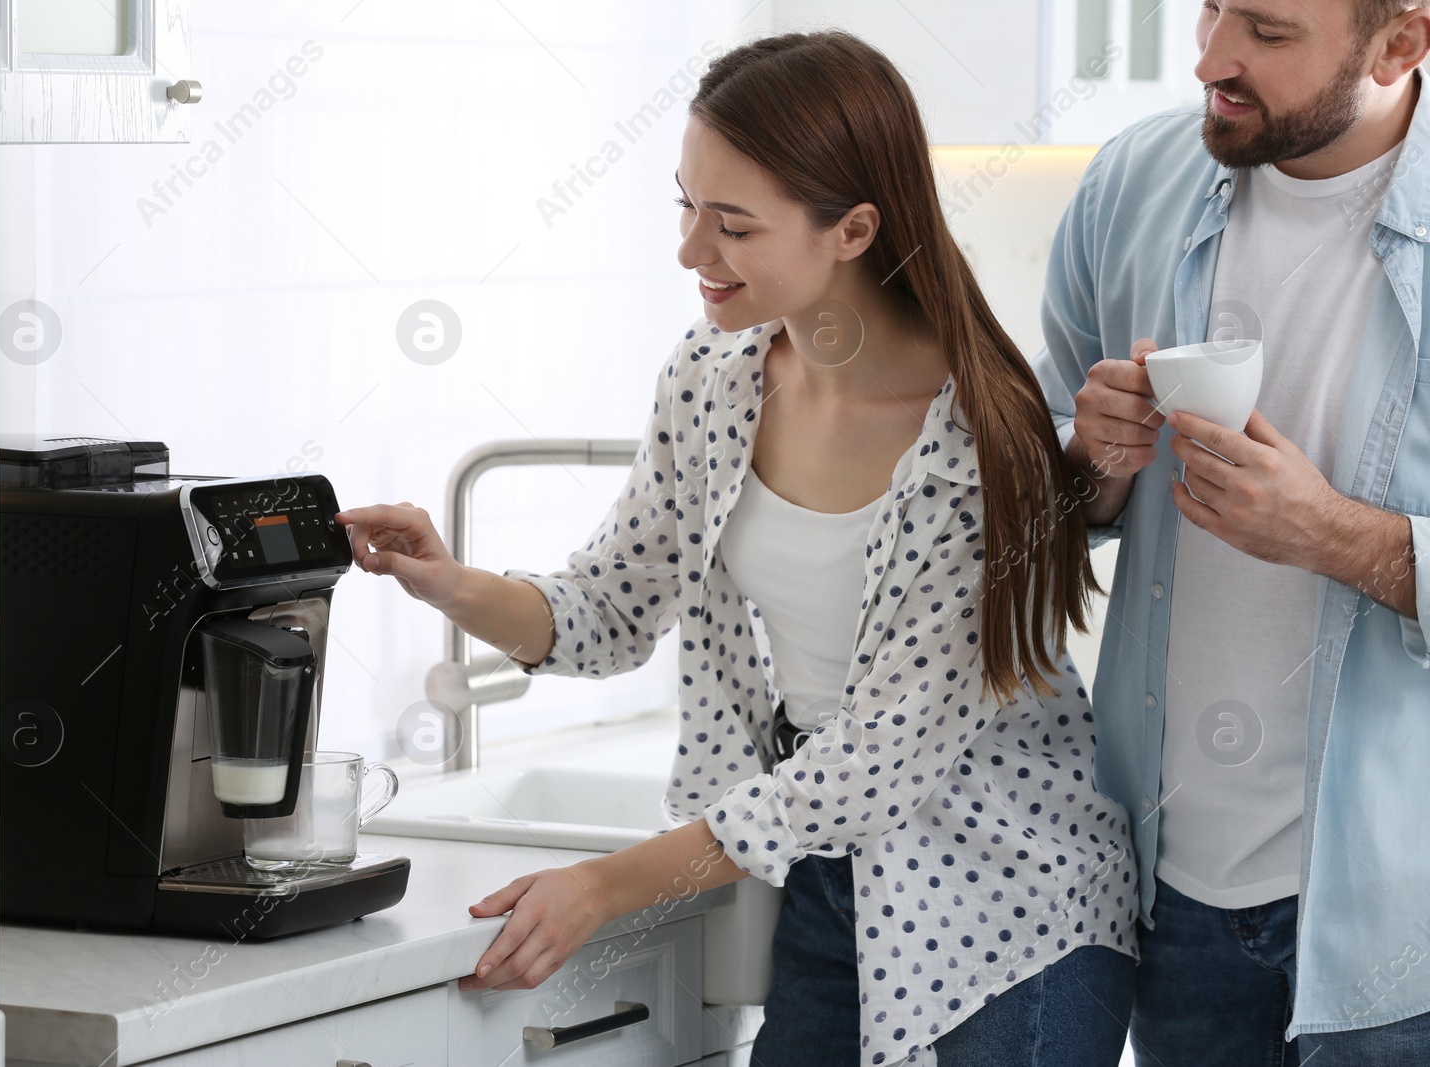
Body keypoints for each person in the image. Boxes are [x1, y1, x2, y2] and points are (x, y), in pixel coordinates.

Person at [342, 32, 1137, 1066]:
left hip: (1007, 902)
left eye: (733, 225)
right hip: (824, 876)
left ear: (852, 229)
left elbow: (875, 762)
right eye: (685, 205)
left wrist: (604, 884)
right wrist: (449, 582)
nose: (689, 250)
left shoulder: (974, 438)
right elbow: (611, 607)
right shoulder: (713, 376)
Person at [1032, 2, 1430, 1064]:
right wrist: (1091, 465)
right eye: (1208, 7)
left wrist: (1338, 535)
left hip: (1404, 920)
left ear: (1400, 44)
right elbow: (1032, 505)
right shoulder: (1129, 186)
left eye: (1265, 29)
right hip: (1170, 900)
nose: (1209, 57)